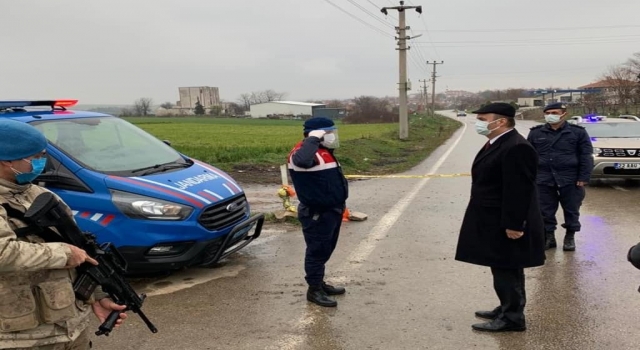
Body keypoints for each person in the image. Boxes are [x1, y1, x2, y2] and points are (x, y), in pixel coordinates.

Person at [0, 119, 127, 349]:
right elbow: (3, 253)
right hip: (19, 339)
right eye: (34, 157)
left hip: (70, 328)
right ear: (6, 161)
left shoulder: (38, 194)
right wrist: (63, 253)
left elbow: (79, 248)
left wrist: (97, 296)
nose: (42, 163)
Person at [455, 102, 545, 332]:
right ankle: (507, 307)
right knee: (502, 265)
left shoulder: (516, 147)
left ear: (501, 121)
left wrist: (514, 224)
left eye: (483, 119)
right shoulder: (498, 142)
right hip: (493, 217)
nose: (479, 123)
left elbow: (519, 189)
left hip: (506, 219)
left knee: (508, 266)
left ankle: (512, 318)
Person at [287, 117, 348, 307]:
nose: (331, 137)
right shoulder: (303, 153)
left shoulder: (324, 152)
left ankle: (319, 283)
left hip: (332, 209)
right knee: (316, 251)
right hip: (317, 212)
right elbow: (302, 160)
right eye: (328, 133)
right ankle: (314, 290)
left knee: (326, 249)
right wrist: (312, 139)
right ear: (316, 135)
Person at [526, 102, 593, 251]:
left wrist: (583, 177)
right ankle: (549, 236)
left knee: (571, 209)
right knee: (545, 210)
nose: (551, 115)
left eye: (555, 113)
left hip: (571, 178)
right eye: (548, 113)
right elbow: (528, 157)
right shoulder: (536, 133)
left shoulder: (578, 133)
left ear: (564, 114)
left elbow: (586, 156)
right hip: (543, 178)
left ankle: (570, 237)